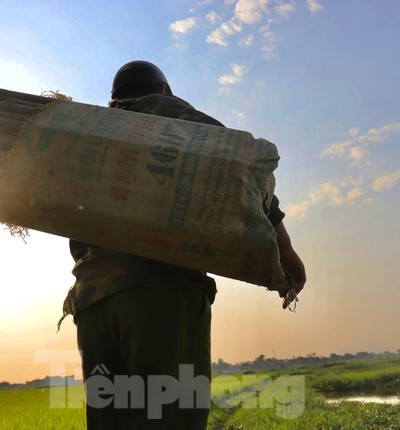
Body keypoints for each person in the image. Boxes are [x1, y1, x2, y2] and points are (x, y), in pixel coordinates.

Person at [61, 60, 306, 430]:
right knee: (174, 418)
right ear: (162, 91)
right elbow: (244, 171)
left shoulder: (93, 137)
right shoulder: (169, 114)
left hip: (93, 304)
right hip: (160, 295)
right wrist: (285, 253)